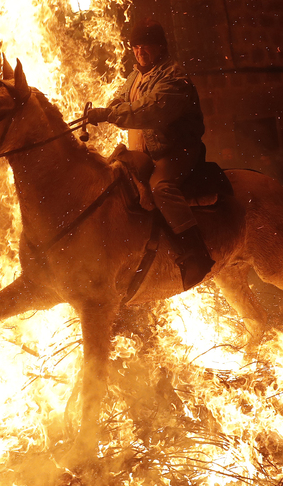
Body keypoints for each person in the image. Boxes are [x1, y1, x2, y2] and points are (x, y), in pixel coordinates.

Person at [86, 18, 213, 290]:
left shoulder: (174, 77)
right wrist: (110, 110)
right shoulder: (135, 76)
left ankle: (196, 253)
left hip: (176, 150)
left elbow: (150, 111)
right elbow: (120, 100)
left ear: (160, 47)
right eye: (135, 47)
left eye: (146, 46)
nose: (140, 51)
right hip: (147, 151)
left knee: (160, 187)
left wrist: (108, 114)